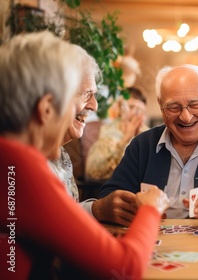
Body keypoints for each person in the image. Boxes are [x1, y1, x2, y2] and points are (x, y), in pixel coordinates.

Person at [0, 31, 169, 279]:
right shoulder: (19, 165)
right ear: (46, 109)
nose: (93, 106)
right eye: (77, 96)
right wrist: (151, 209)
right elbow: (124, 268)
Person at [84, 64, 198, 226]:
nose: (186, 116)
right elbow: (109, 195)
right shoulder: (142, 145)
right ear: (160, 106)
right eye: (174, 107)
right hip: (151, 246)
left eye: (195, 104)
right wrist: (118, 206)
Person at [47, 45, 100, 202]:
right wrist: (150, 210)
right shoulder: (22, 163)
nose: (94, 105)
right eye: (86, 94)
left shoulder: (61, 154)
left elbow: (68, 214)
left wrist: (98, 209)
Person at [85, 87, 149, 182]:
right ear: (120, 108)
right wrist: (126, 139)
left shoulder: (148, 135)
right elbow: (93, 173)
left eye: (140, 110)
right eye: (131, 107)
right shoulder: (107, 133)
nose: (136, 113)